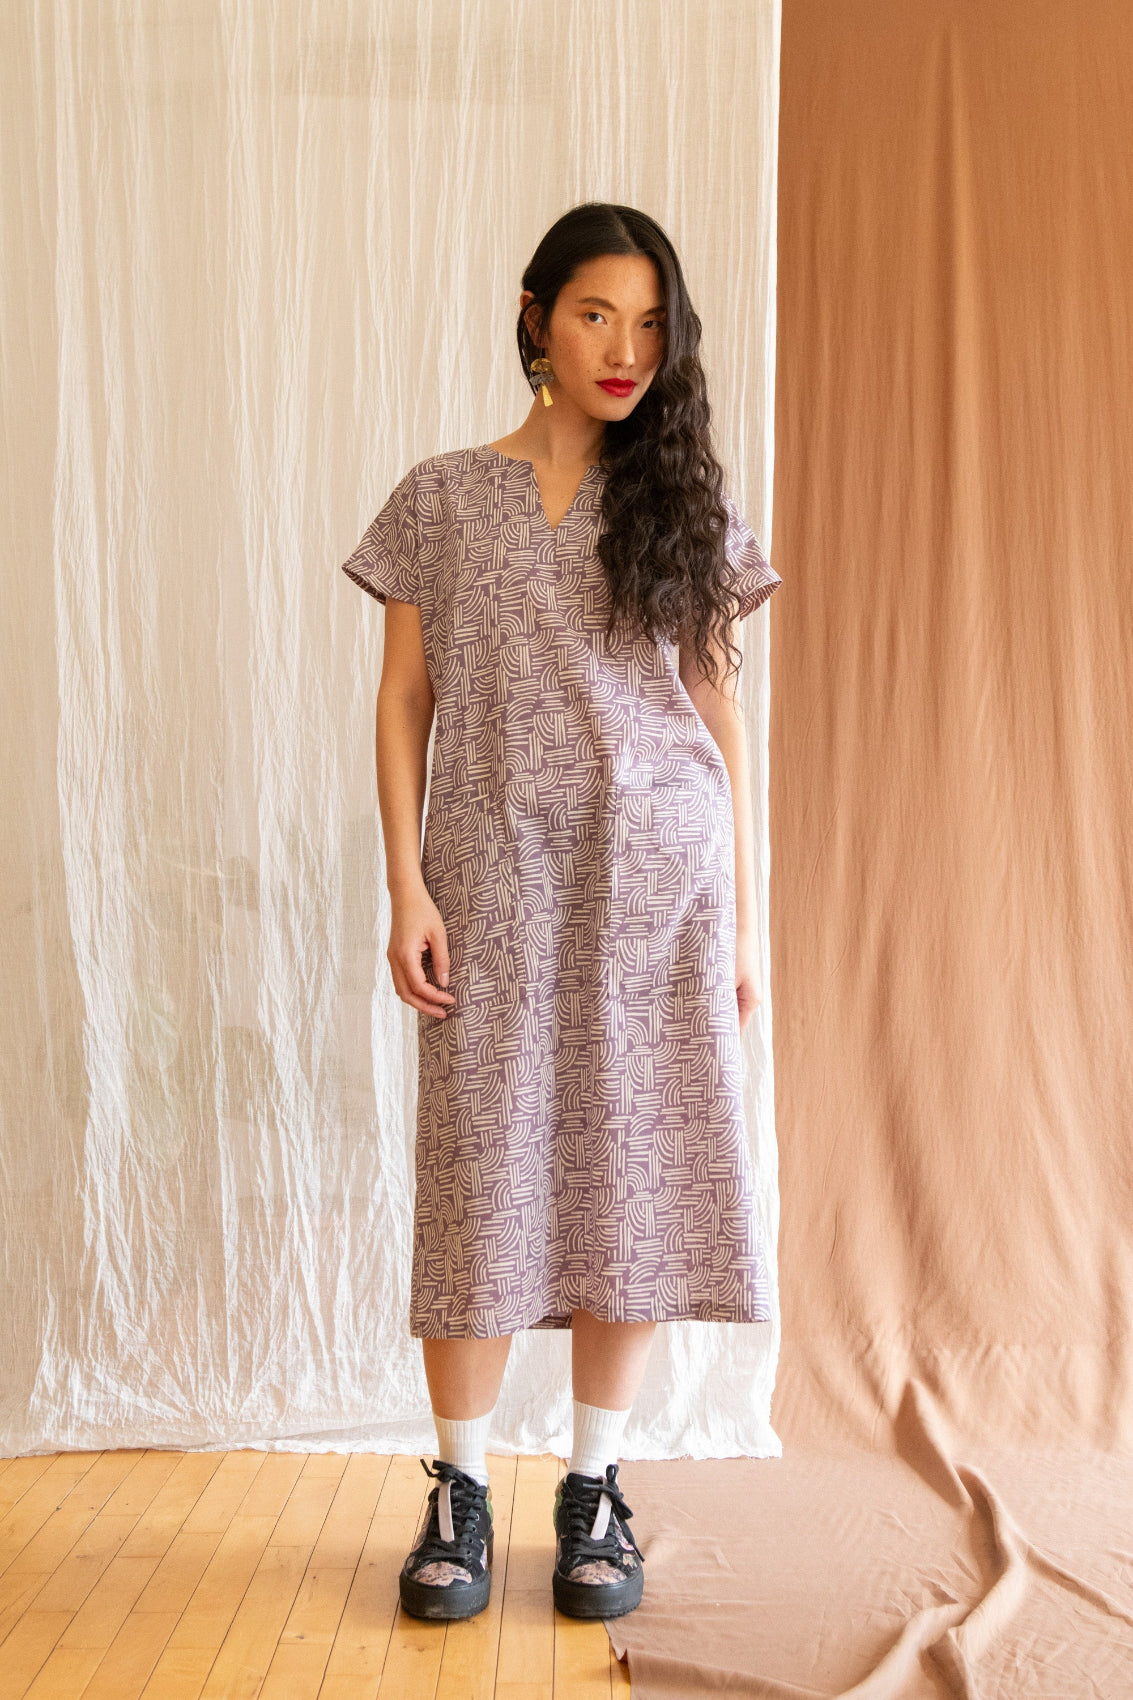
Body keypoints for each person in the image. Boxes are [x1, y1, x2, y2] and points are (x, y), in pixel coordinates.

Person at [340, 201, 782, 1625]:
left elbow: (717, 712)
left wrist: (744, 922)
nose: (624, 349)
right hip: (490, 883)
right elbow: (404, 698)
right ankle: (460, 1490)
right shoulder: (439, 498)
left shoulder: (681, 503)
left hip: (658, 886)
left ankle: (594, 1486)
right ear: (537, 316)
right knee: (479, 1172)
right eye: (597, 313)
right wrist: (406, 881)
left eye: (650, 324)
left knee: (632, 1175)